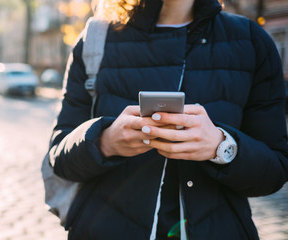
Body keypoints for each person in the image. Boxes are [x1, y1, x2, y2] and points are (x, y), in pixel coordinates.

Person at [47, 0, 288, 239]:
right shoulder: (97, 38)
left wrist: (222, 146)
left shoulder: (251, 41)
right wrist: (104, 142)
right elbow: (59, 157)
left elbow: (275, 171)